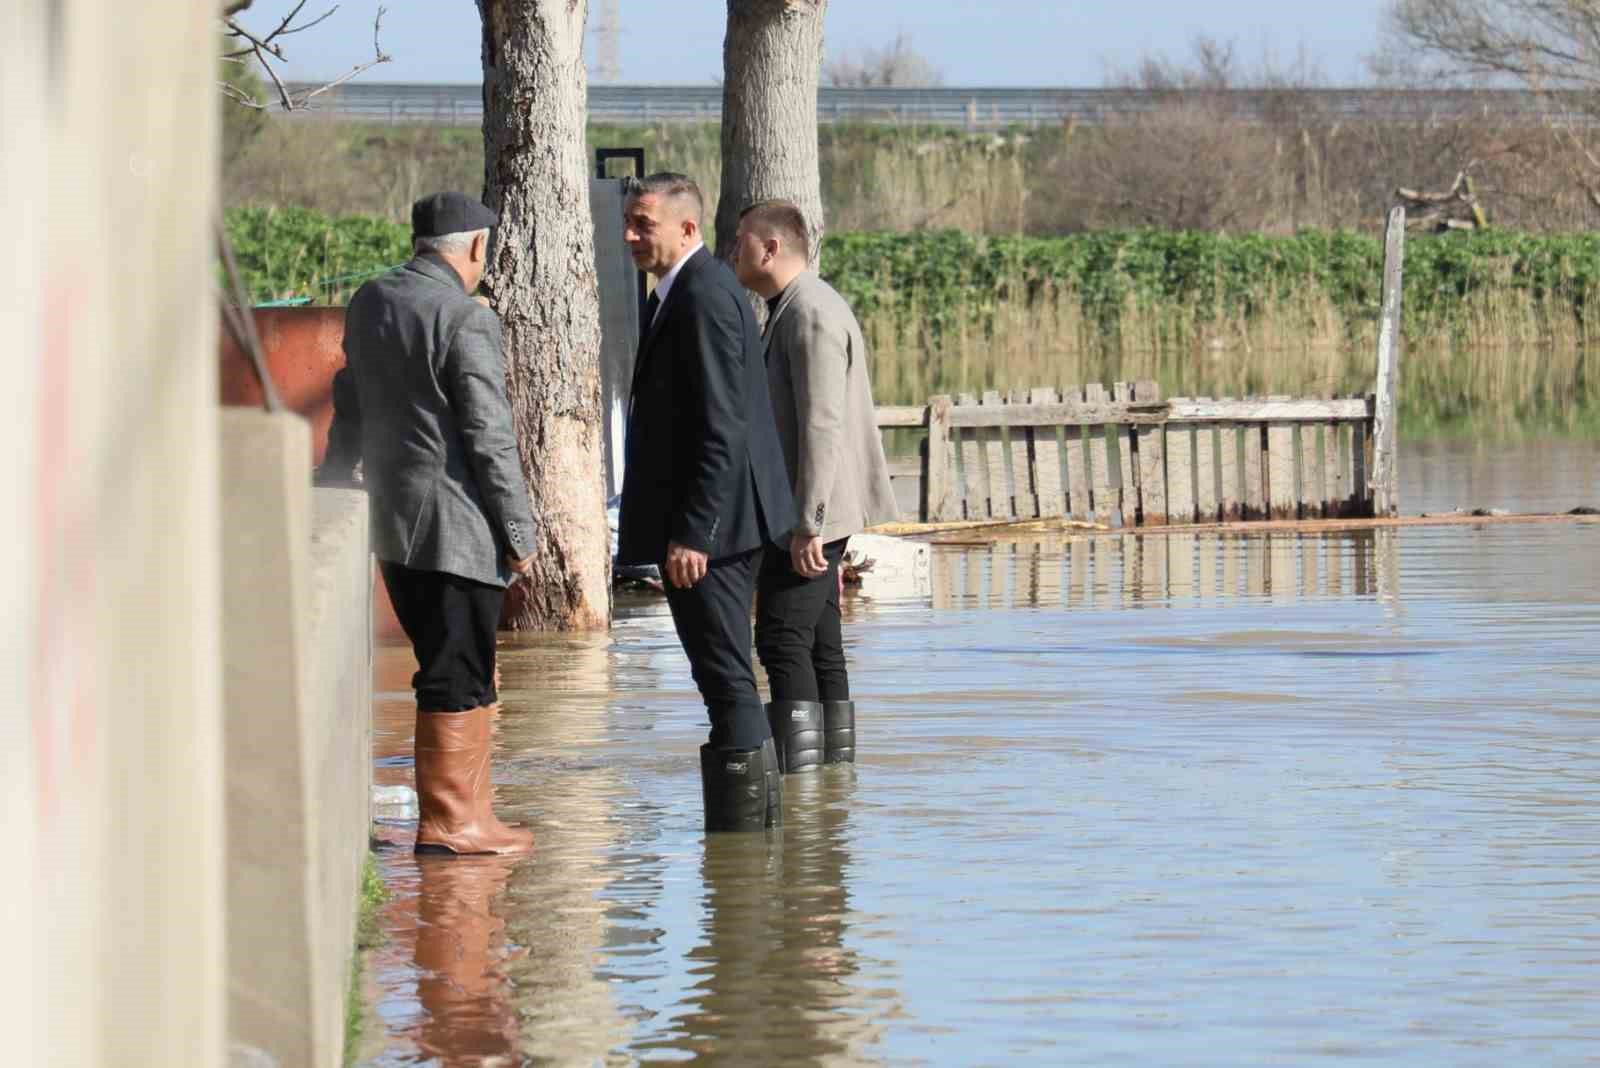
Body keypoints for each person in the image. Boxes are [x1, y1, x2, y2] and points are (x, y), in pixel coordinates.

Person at [319, 191, 535, 856]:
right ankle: (451, 823)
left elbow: (349, 395)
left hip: (394, 521)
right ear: (474, 247)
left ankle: (465, 814)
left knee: (439, 666)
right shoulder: (464, 319)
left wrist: (332, 473)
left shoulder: (372, 301)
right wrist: (520, 535)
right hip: (458, 528)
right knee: (460, 670)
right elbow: (489, 437)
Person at [614, 173, 797, 832]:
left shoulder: (706, 296)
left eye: (645, 225)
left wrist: (694, 531)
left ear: (687, 229)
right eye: (629, 223)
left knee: (726, 676)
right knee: (719, 677)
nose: (632, 236)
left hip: (714, 532)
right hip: (703, 526)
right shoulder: (678, 293)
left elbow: (725, 427)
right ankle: (740, 847)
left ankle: (747, 849)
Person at [730, 199, 898, 774]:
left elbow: (822, 423)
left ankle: (800, 786)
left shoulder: (810, 312)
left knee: (779, 640)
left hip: (813, 515)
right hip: (810, 512)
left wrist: (810, 523)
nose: (734, 251)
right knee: (820, 642)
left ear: (770, 248)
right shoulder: (792, 306)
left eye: (741, 241)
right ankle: (831, 783)